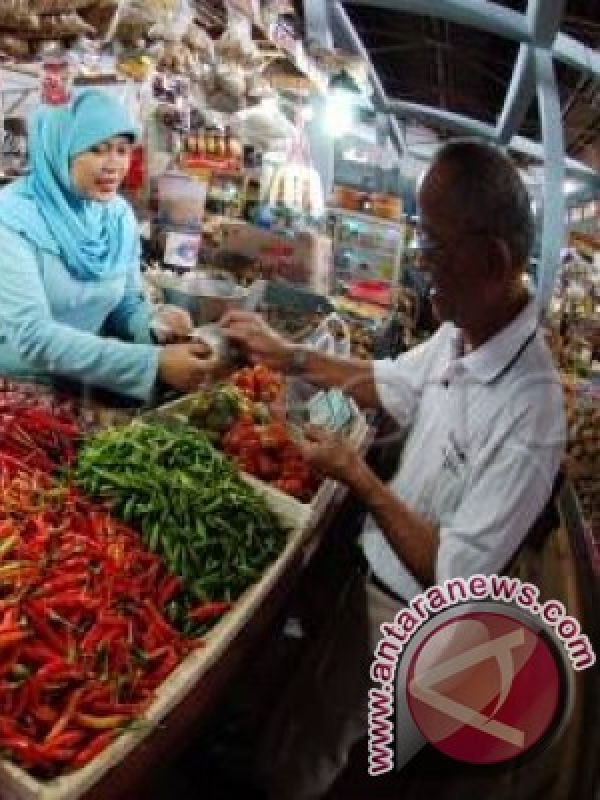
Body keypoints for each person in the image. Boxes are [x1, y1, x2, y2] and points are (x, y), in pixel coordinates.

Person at [221, 139, 566, 798]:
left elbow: (458, 578)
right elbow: (384, 381)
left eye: (434, 248)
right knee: (307, 719)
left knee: (334, 758)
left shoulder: (530, 415)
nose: (420, 266)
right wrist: (284, 353)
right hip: (368, 583)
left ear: (491, 259)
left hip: (408, 627)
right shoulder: (461, 335)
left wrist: (358, 476)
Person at [0, 90, 211, 401]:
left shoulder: (117, 216)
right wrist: (152, 363)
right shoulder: (7, 219)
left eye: (122, 150)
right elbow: (33, 336)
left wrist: (153, 322)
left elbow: (125, 303)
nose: (114, 165)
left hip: (69, 384)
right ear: (60, 150)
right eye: (97, 150)